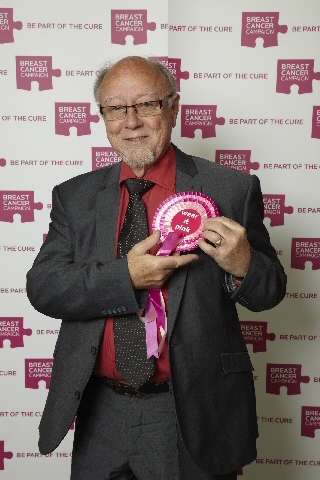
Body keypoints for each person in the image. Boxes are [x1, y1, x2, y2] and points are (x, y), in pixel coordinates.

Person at [26, 56, 286, 480]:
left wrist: (244, 264)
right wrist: (125, 277)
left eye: (146, 104)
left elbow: (269, 292)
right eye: (116, 108)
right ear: (104, 116)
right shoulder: (74, 197)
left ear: (173, 107)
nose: (131, 122)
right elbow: (45, 287)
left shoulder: (231, 188)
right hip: (99, 411)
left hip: (191, 411)